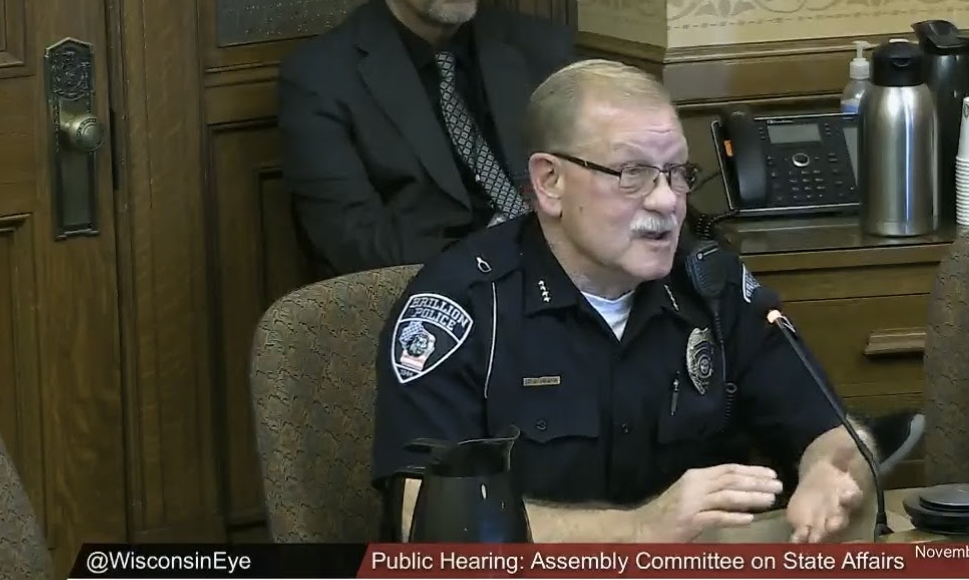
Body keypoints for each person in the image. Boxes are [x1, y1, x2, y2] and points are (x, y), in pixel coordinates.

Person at [371, 59, 881, 544]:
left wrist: (827, 476)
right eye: (631, 173)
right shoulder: (463, 306)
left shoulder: (711, 283)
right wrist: (639, 532)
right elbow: (427, 519)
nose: (665, 201)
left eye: (676, 173)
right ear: (550, 182)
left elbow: (834, 434)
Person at [277, 0, 576, 279]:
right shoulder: (319, 79)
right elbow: (355, 241)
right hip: (436, 290)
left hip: (569, 274)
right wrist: (504, 259)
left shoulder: (540, 46)